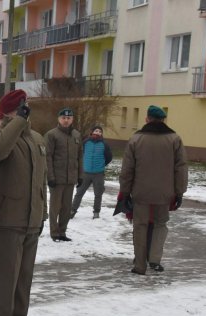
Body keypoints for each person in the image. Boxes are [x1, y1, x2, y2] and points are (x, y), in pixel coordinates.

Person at [0, 89, 47, 316]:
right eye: (21, 106)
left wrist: (42, 211)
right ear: (11, 110)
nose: (26, 109)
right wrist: (17, 122)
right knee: (7, 277)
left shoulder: (36, 138)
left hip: (32, 217)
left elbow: (41, 179)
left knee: (24, 278)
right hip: (7, 218)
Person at [118, 105, 188, 275]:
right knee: (160, 224)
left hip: (140, 192)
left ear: (146, 119)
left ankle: (139, 265)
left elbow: (127, 169)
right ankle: (155, 259)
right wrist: (179, 192)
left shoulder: (136, 139)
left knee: (140, 226)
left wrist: (125, 192)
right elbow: (181, 167)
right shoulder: (174, 139)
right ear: (164, 120)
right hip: (165, 193)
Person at [45, 108, 82, 241]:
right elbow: (47, 157)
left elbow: (80, 157)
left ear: (72, 119)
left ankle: (62, 231)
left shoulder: (76, 135)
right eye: (63, 118)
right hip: (57, 178)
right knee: (55, 207)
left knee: (66, 207)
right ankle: (54, 232)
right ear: (59, 119)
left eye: (69, 118)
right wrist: (50, 177)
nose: (66, 120)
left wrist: (80, 175)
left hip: (70, 178)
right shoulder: (51, 135)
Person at [71, 126, 113, 219]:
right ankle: (73, 210)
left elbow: (109, 157)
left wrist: (102, 165)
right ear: (92, 132)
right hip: (85, 173)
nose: (97, 132)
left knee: (98, 194)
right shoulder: (85, 142)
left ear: (101, 134)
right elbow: (80, 155)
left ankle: (96, 212)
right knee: (79, 192)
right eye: (96, 130)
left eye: (100, 131)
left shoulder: (104, 144)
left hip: (98, 174)